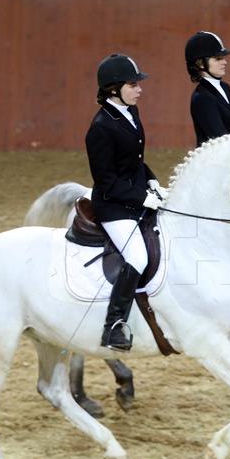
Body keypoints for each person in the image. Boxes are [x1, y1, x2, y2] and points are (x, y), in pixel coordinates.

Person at [86, 53, 167, 352]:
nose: (139, 89)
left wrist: (153, 181)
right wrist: (142, 197)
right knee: (137, 256)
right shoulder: (100, 128)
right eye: (133, 85)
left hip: (136, 197)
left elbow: (135, 161)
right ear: (113, 89)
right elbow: (107, 181)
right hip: (113, 206)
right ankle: (115, 325)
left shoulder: (131, 113)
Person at [185, 31, 230, 315]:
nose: (224, 61)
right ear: (200, 63)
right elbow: (219, 139)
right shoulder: (202, 98)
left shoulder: (223, 88)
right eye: (218, 58)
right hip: (216, 171)